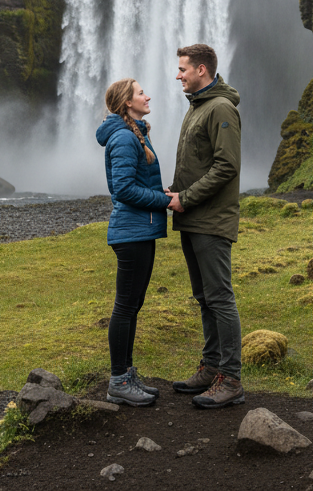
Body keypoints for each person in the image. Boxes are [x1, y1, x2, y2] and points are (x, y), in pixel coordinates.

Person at [166, 43, 245, 409]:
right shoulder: (199, 106)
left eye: (183, 69)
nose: (178, 75)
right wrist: (176, 191)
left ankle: (231, 379)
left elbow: (226, 166)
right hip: (193, 217)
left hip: (210, 220)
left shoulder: (220, 108)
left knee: (220, 298)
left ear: (201, 69)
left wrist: (187, 196)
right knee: (204, 298)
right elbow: (200, 162)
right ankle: (212, 367)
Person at [95, 78, 171, 407]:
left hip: (140, 229)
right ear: (128, 102)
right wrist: (164, 201)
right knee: (125, 306)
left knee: (132, 305)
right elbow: (123, 189)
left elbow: (134, 181)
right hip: (132, 232)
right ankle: (118, 381)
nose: (147, 95)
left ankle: (125, 374)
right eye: (141, 92)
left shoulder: (134, 132)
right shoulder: (125, 137)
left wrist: (160, 195)